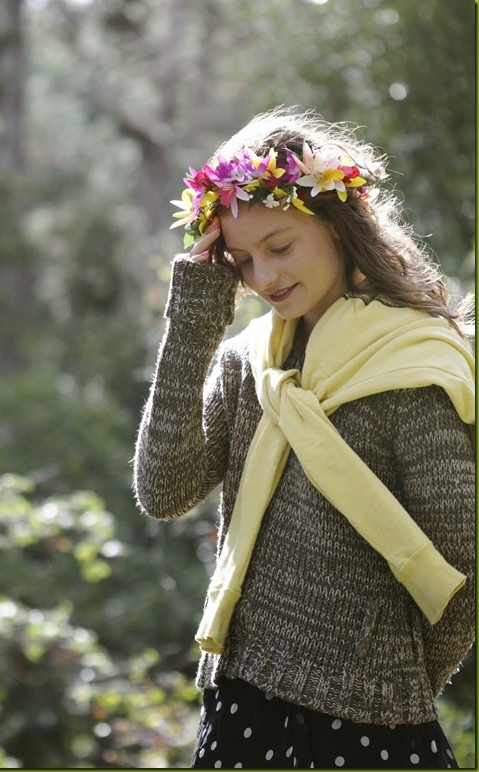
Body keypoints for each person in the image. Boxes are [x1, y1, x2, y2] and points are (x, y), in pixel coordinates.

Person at [133, 107, 475, 770]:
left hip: (370, 724)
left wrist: (391, 679)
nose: (262, 278)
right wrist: (193, 324)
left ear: (337, 223)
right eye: (241, 261)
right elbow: (163, 490)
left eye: (279, 246)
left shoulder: (410, 364)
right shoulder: (248, 361)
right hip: (237, 707)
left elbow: (462, 565)